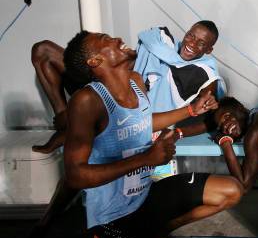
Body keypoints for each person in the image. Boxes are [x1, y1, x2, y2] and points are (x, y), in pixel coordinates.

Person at [61, 30, 242, 238]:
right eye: (105, 41)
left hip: (145, 199)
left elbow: (145, 120)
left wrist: (190, 111)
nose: (115, 38)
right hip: (112, 217)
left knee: (231, 190)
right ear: (95, 62)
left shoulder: (135, 82)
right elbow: (75, 176)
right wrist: (146, 159)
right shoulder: (87, 102)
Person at [30, 21, 221, 153]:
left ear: (208, 50)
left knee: (113, 118)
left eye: (201, 43)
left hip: (129, 114)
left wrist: (180, 130)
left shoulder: (204, 72)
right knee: (43, 50)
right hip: (110, 90)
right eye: (190, 36)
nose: (191, 43)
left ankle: (70, 128)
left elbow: (209, 104)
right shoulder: (162, 40)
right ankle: (64, 118)